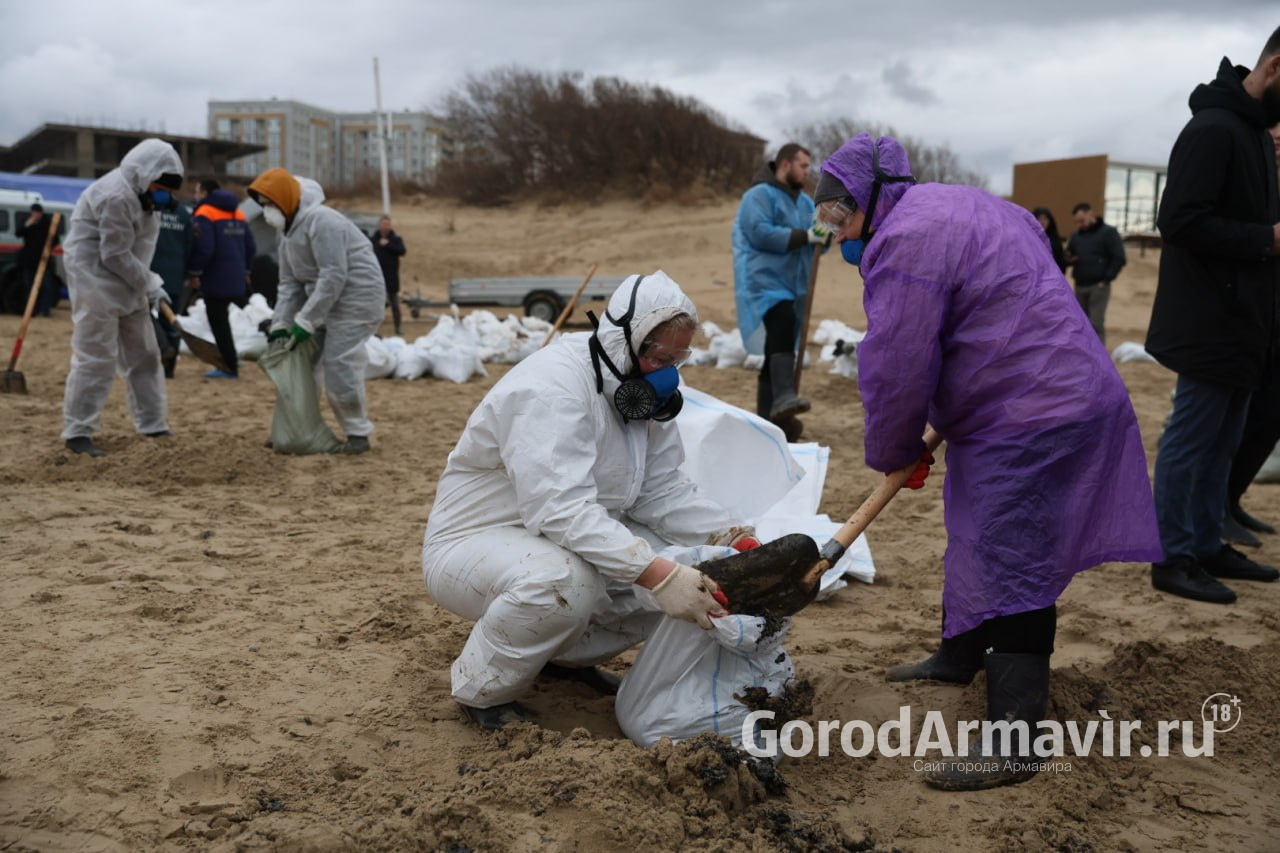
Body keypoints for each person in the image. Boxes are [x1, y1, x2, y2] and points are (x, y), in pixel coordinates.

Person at [813, 133, 1162, 791]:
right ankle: (959, 653)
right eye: (827, 221)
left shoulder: (903, 243)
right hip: (1043, 387)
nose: (838, 235)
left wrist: (894, 450)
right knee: (977, 528)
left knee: (1013, 552)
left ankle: (1015, 740)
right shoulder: (973, 204)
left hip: (1032, 409)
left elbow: (897, 364)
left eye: (842, 216)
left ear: (875, 196)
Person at [422, 272, 756, 731]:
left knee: (698, 566)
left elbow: (662, 491)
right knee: (568, 582)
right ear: (625, 341)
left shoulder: (638, 397)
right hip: (477, 543)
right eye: (661, 358)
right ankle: (483, 691)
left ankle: (562, 660)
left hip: (558, 537)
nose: (669, 373)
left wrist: (733, 539)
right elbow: (559, 510)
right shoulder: (553, 389)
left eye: (680, 359)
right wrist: (659, 575)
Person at [1145, 28, 1280, 603]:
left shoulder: (1252, 135)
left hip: (1246, 320)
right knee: (1192, 440)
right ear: (1275, 67)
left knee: (1224, 440)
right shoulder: (1213, 130)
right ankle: (1172, 555)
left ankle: (1204, 543)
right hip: (1207, 318)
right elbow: (1177, 220)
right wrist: (1268, 240)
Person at [60, 138, 185, 457]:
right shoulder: (115, 195)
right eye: (160, 187)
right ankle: (78, 433)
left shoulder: (149, 198)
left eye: (169, 192)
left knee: (144, 353)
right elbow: (113, 254)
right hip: (94, 277)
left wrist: (146, 284)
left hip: (131, 279)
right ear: (145, 176)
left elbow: (137, 250)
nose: (164, 196)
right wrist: (151, 283)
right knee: (95, 356)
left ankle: (153, 424)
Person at [247, 167, 385, 454]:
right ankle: (296, 429)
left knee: (338, 365)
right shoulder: (285, 232)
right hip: (324, 301)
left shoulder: (323, 222)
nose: (266, 211)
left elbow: (333, 274)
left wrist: (307, 320)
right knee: (301, 364)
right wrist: (281, 325)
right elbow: (288, 283)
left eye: (270, 204)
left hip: (355, 302)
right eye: (262, 206)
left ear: (286, 199)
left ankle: (358, 435)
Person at [732, 142, 825, 441]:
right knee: (782, 324)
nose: (807, 172)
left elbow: (816, 238)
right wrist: (805, 235)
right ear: (785, 164)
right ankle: (783, 399)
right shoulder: (757, 196)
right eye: (803, 166)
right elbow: (759, 232)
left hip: (794, 284)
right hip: (764, 283)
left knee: (778, 349)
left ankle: (771, 423)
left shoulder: (805, 203)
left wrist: (824, 236)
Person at [1221, 120, 1280, 549]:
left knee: (1270, 420)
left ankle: (1232, 499)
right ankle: (1217, 506)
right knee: (1241, 419)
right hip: (1252, 319)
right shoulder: (1250, 180)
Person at [189, 184, 256, 379]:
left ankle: (229, 365)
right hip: (236, 277)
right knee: (236, 315)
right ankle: (232, 359)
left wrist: (194, 271)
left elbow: (205, 247)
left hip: (215, 277)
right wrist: (246, 270)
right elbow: (250, 245)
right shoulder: (238, 213)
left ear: (204, 193)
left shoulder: (205, 212)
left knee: (218, 321)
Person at [148, 190, 195, 378]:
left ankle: (163, 347)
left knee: (142, 314)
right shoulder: (183, 213)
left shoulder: (150, 209)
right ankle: (169, 369)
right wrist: (187, 271)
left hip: (152, 272)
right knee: (170, 320)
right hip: (175, 273)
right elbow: (190, 244)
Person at [1064, 201, 1126, 344]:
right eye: (1076, 222)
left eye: (1082, 220)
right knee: (1081, 324)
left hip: (1098, 287)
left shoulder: (1108, 233)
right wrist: (1069, 259)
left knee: (1095, 323)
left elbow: (1119, 258)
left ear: (1091, 214)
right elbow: (1069, 255)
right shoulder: (1076, 236)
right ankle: (1085, 357)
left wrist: (1106, 280)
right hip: (1079, 285)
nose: (1079, 224)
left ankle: (1099, 360)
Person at [14, 203, 60, 317]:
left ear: (41, 213)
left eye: (37, 213)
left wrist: (48, 249)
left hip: (44, 260)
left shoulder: (48, 223)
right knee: (28, 286)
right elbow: (18, 233)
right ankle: (30, 311)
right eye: (34, 212)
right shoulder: (27, 221)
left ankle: (45, 311)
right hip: (28, 260)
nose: (36, 215)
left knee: (46, 287)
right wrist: (28, 225)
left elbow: (55, 240)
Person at [369, 215, 406, 336]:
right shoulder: (373, 240)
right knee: (376, 306)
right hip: (375, 278)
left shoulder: (396, 239)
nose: (386, 226)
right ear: (379, 225)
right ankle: (373, 330)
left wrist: (388, 244)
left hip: (391, 278)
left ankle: (399, 329)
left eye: (388, 224)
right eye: (384, 224)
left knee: (395, 305)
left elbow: (402, 251)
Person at [1031, 207, 1068, 272]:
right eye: (1039, 219)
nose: (1042, 222)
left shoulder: (1055, 240)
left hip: (1052, 276)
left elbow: (1060, 262)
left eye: (1045, 219)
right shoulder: (1029, 239)